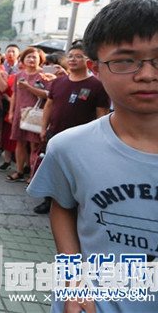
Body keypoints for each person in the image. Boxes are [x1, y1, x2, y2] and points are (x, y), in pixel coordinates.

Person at [28, 0, 158, 312]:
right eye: (125, 61)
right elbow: (63, 207)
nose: (147, 74)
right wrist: (72, 281)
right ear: (97, 69)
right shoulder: (68, 148)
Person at [31, 42, 110, 216]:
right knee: (52, 168)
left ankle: (71, 204)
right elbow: (49, 105)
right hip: (55, 133)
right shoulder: (58, 82)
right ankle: (48, 201)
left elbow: (102, 114)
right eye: (71, 56)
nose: (73, 59)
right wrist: (43, 128)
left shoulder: (97, 85)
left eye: (79, 56)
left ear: (89, 61)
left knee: (74, 172)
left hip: (82, 139)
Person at [7, 47, 51, 182]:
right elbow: (14, 95)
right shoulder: (19, 75)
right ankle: (19, 171)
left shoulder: (44, 75)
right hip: (20, 113)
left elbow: (47, 95)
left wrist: (28, 87)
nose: (31, 59)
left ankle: (33, 175)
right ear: (23, 59)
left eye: (34, 57)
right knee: (19, 142)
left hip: (36, 115)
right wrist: (11, 112)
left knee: (34, 145)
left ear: (40, 60)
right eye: (28, 57)